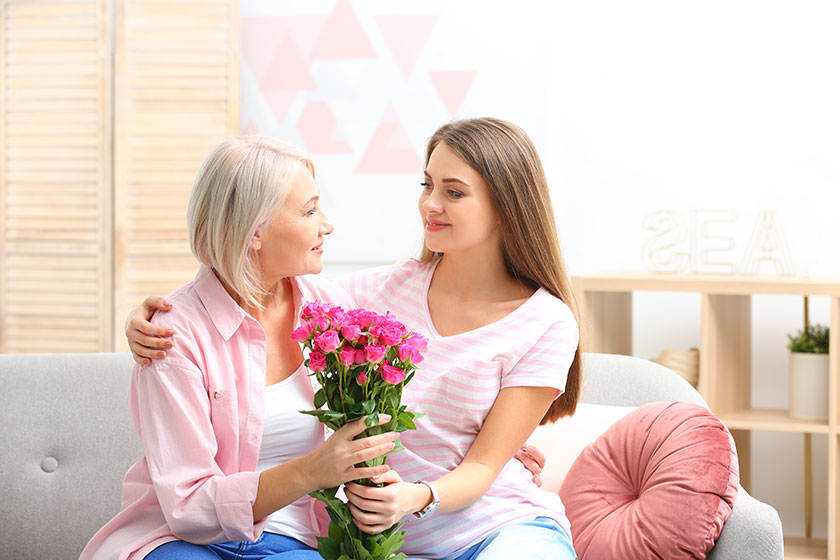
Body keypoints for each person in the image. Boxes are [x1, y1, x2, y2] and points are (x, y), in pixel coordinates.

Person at [127, 118, 581, 559]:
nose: (429, 204)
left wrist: (446, 475)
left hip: (497, 523)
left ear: (507, 205)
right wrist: (145, 321)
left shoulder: (546, 322)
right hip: (390, 538)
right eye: (427, 186)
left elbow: (482, 464)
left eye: (453, 192)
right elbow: (246, 288)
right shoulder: (368, 297)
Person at [80, 136, 399, 560]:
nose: (327, 224)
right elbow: (189, 508)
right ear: (255, 232)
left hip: (296, 541)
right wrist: (311, 471)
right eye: (309, 211)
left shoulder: (334, 311)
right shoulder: (171, 337)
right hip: (182, 541)